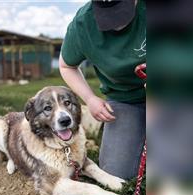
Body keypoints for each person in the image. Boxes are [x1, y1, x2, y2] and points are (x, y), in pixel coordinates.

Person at [59, 0, 146, 179]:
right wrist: (90, 99)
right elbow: (66, 66)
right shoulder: (83, 24)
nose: (117, 24)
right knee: (115, 173)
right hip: (125, 99)